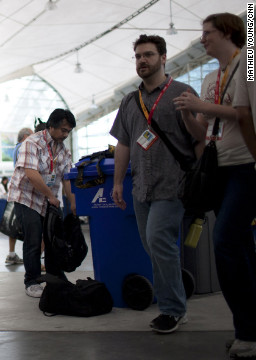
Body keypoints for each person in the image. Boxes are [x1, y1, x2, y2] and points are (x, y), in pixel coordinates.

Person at [175, 13, 256, 356]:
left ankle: (248, 333)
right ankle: (249, 330)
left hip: (245, 166)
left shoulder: (247, 66)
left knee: (224, 242)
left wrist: (201, 105)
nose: (202, 39)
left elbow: (242, 114)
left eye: (207, 33)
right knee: (241, 249)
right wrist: (187, 114)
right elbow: (204, 131)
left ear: (227, 32)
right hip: (219, 168)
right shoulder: (211, 77)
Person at [110, 34, 197, 334]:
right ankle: (176, 302)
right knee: (154, 246)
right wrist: (118, 182)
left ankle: (172, 309)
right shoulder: (129, 101)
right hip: (141, 188)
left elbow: (197, 138)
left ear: (163, 57)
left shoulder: (182, 92)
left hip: (173, 185)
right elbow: (123, 143)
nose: (142, 61)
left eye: (148, 55)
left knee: (159, 241)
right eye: (137, 56)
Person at [8, 109, 76, 298]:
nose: (65, 134)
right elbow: (31, 174)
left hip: (49, 200)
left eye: (68, 131)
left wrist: (73, 203)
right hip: (26, 197)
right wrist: (49, 196)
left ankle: (55, 276)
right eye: (63, 130)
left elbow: (66, 179)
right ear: (51, 126)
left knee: (53, 239)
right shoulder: (32, 143)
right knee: (34, 239)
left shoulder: (63, 149)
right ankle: (32, 281)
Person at [5, 127, 33, 265]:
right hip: (23, 193)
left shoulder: (16, 148)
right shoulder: (23, 147)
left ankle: (11, 254)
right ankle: (34, 261)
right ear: (26, 136)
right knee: (29, 228)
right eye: (32, 136)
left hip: (16, 192)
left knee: (15, 225)